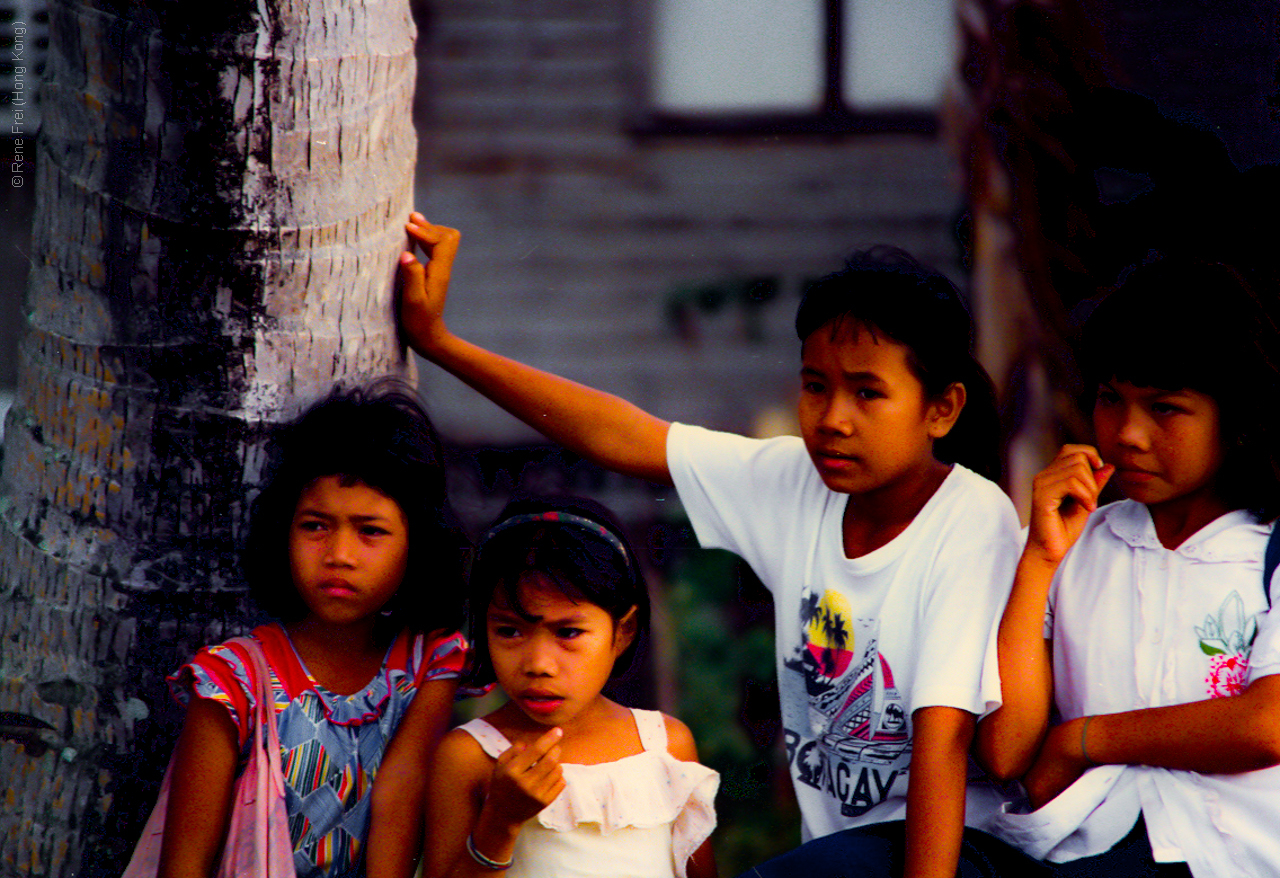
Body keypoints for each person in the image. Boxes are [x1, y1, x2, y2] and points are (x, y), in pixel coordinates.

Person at [400, 216, 1035, 878]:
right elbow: (624, 434)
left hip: (958, 848)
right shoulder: (797, 482)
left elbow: (944, 744)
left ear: (942, 408)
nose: (832, 418)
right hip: (847, 852)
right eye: (815, 385)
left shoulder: (969, 521)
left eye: (867, 393)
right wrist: (440, 345)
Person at [976, 258, 1280, 877]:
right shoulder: (1074, 544)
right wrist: (1039, 559)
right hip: (1084, 851)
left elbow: (1266, 723)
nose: (1129, 433)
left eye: (1164, 408)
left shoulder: (1270, 551)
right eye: (1111, 399)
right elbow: (1006, 751)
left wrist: (1082, 739)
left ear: (1237, 414)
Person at [157, 381, 471, 878]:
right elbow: (184, 867)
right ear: (282, 531)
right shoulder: (232, 684)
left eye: (371, 531)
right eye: (315, 526)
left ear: (418, 543)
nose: (339, 556)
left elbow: (401, 790)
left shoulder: (428, 662)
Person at [425, 496, 719, 878]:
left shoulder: (666, 745)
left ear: (623, 632)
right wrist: (500, 822)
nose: (538, 665)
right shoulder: (470, 756)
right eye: (509, 631)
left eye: (568, 632)